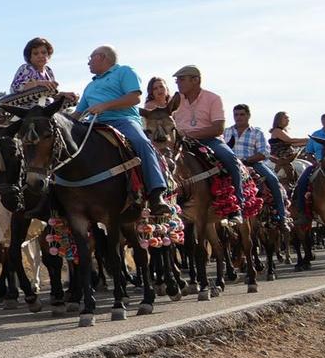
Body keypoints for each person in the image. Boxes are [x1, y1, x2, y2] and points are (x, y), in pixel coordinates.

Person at [67, 45, 168, 213]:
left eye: (91, 58)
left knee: (141, 142)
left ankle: (157, 192)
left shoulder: (124, 71)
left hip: (123, 121)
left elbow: (135, 98)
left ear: (102, 57)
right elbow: (78, 113)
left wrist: (104, 106)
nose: (88, 63)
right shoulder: (90, 86)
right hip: (93, 125)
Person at [167, 66, 247, 211]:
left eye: (181, 79)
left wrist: (190, 135)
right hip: (182, 143)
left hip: (209, 140)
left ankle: (237, 205)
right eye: (177, 80)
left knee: (230, 159)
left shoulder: (213, 98)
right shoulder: (175, 100)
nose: (177, 83)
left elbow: (218, 128)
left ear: (195, 80)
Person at [224, 103, 289, 226]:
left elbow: (264, 152)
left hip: (253, 163)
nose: (238, 117)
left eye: (242, 114)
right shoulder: (227, 131)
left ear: (248, 116)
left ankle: (282, 216)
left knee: (273, 179)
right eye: (236, 115)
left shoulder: (257, 132)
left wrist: (246, 160)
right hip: (231, 164)